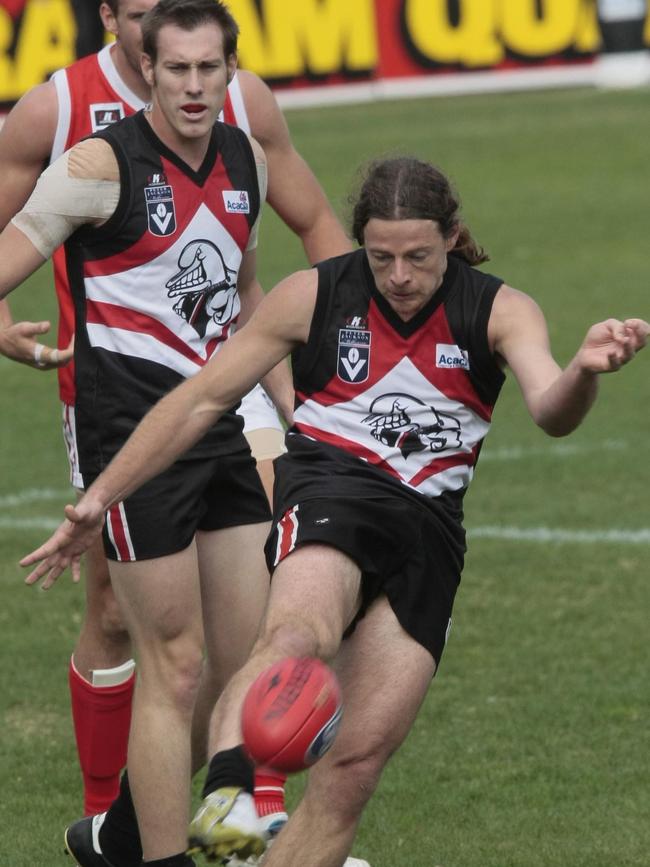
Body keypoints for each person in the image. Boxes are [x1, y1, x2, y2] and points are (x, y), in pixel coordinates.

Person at [19, 154, 649, 866]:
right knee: (296, 634)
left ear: (451, 238)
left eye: (418, 256)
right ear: (361, 244)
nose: (400, 276)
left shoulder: (499, 308)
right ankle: (229, 800)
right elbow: (198, 400)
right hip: (332, 492)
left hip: (430, 533)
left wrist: (584, 373)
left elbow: (551, 410)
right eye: (381, 257)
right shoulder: (312, 296)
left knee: (350, 773)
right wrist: (98, 498)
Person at [0, 0, 351, 826]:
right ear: (145, 67)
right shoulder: (91, 161)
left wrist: (304, 401)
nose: (194, 86)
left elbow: (246, 292)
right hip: (127, 432)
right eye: (177, 69)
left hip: (218, 422)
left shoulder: (247, 160)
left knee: (244, 658)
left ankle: (131, 835)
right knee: (175, 663)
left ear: (232, 72)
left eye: (209, 69)